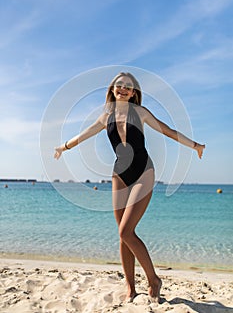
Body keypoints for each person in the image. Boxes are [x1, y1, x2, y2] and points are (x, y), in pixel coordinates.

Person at [54, 72, 205, 302]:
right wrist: (63, 147)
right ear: (112, 89)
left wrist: (195, 146)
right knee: (122, 235)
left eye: (128, 86)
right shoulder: (106, 117)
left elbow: (168, 131)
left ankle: (154, 280)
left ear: (134, 92)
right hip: (119, 175)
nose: (123, 89)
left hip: (144, 171)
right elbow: (82, 136)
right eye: (119, 85)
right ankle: (131, 287)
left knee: (126, 231)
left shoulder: (141, 113)